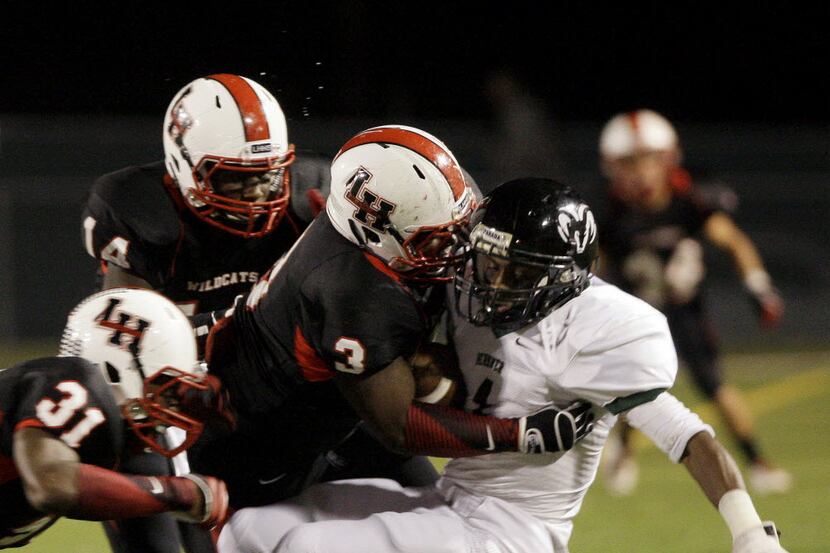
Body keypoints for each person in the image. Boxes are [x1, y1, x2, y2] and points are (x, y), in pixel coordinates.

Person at [215, 178, 789, 553]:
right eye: (489, 263)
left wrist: (748, 531)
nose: (492, 284)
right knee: (248, 530)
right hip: (453, 499)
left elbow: (685, 432)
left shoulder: (597, 331)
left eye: (515, 273)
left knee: (305, 551)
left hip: (514, 534)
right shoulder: (466, 290)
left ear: (564, 276)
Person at [80, 74, 439, 552]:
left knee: (439, 515)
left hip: (308, 395)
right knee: (138, 462)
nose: (256, 195)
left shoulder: (316, 198)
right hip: (191, 412)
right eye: (234, 178)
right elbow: (133, 343)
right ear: (182, 164)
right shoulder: (141, 211)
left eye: (268, 175)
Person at [197, 127, 594, 512]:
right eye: (438, 241)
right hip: (266, 440)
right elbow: (399, 426)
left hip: (343, 411)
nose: (458, 249)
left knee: (448, 522)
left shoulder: (429, 210)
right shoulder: (351, 290)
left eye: (460, 228)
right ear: (375, 237)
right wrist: (516, 435)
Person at [596, 109, 792, 496]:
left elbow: (733, 241)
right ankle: (623, 453)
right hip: (635, 312)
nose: (641, 172)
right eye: (629, 162)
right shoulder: (609, 213)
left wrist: (758, 285)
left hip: (685, 310)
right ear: (613, 167)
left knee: (716, 385)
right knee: (628, 389)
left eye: (649, 158)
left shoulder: (691, 200)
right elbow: (592, 267)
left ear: (667, 158)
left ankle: (758, 461)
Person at [0, 287, 230, 550]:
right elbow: (53, 484)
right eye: (165, 385)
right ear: (116, 367)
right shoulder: (71, 379)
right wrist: (179, 493)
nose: (171, 404)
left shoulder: (108, 444)